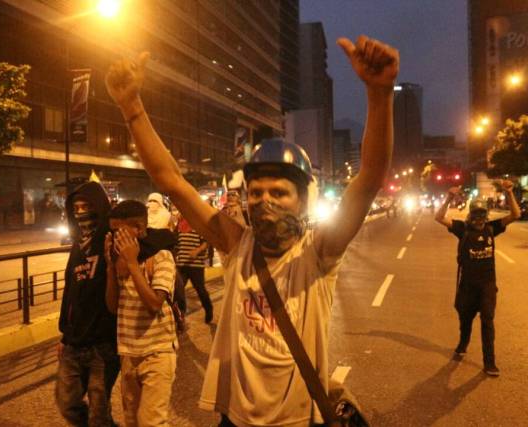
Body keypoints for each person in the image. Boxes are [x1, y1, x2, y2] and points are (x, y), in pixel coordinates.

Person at [105, 34, 397, 426]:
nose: (264, 199)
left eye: (279, 191)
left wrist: (379, 96)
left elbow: (370, 176)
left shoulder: (319, 252)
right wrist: (133, 109)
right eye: (256, 191)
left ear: (303, 200)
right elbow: (171, 180)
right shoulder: (236, 243)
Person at [434, 181, 520, 377]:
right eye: (477, 214)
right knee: (465, 321)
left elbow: (515, 215)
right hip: (467, 287)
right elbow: (438, 217)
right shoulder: (462, 229)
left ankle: (489, 363)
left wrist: (509, 193)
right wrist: (449, 197)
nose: (480, 219)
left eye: (483, 215)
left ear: (486, 215)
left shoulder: (491, 228)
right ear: (471, 214)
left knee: (487, 322)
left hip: (488, 286)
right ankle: (463, 343)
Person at [104, 200, 177, 427]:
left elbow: (155, 303)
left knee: (151, 422)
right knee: (132, 420)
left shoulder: (161, 257)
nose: (115, 237)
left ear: (139, 229)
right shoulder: (120, 263)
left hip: (158, 352)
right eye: (112, 231)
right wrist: (110, 266)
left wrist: (133, 263)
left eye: (119, 231)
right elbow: (112, 307)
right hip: (128, 352)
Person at [56, 182, 120, 427]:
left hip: (104, 344)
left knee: (98, 411)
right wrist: (64, 334)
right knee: (67, 403)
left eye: (87, 206)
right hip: (74, 343)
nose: (81, 212)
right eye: (77, 208)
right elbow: (71, 290)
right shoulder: (77, 247)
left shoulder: (111, 238)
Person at [175, 213, 212, 323]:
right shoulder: (179, 226)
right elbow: (176, 242)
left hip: (196, 265)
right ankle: (180, 314)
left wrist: (197, 251)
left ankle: (208, 309)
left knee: (200, 290)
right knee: (178, 290)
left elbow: (207, 242)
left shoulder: (198, 225)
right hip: (181, 264)